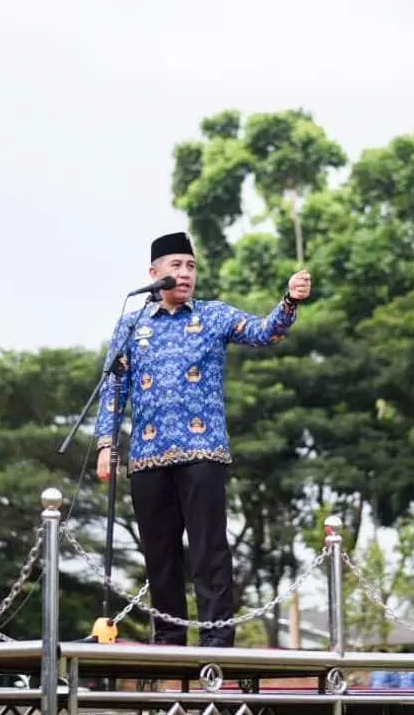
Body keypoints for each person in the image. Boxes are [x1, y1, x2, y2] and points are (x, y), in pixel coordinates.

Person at [93, 231, 311, 647]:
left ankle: (216, 641)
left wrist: (289, 302)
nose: (185, 273)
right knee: (160, 556)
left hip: (202, 452)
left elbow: (265, 332)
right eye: (176, 266)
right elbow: (112, 390)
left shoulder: (212, 316)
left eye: (191, 266)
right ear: (154, 274)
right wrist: (106, 444)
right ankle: (170, 641)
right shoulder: (131, 323)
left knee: (209, 551)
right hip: (147, 457)